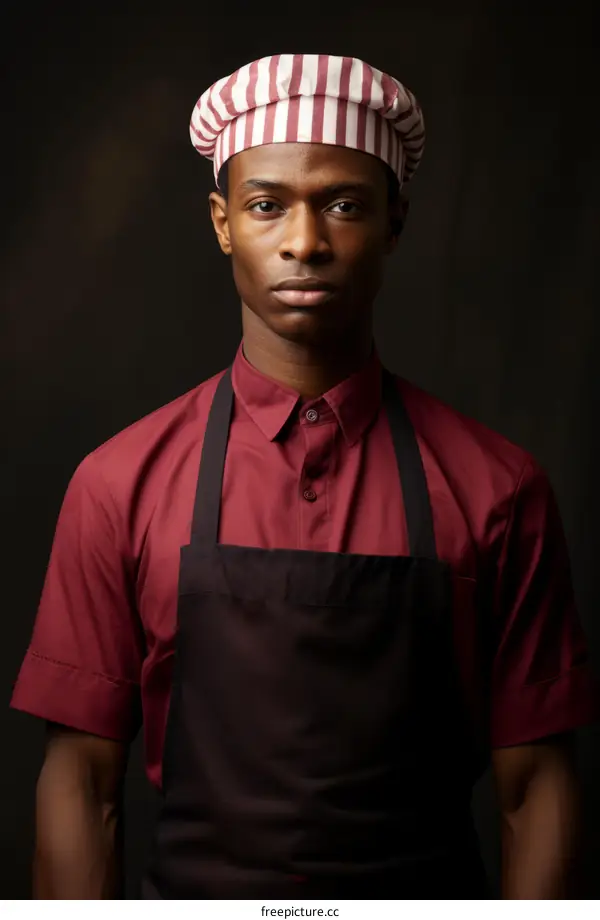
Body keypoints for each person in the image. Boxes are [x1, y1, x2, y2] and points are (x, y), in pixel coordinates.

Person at [10, 53, 600, 900]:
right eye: (266, 206)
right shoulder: (117, 484)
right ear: (222, 223)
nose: (305, 242)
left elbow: (536, 787)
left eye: (344, 205)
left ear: (395, 222)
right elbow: (80, 783)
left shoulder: (500, 489)